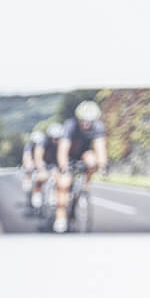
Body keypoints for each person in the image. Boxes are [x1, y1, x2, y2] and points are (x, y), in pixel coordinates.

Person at [54, 99, 108, 232]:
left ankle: (84, 186)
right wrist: (64, 167)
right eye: (83, 120)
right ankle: (60, 218)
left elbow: (100, 148)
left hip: (83, 154)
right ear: (78, 118)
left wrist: (102, 166)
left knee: (92, 161)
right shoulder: (69, 125)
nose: (86, 124)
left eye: (90, 121)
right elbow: (63, 150)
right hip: (68, 155)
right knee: (64, 184)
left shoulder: (98, 126)